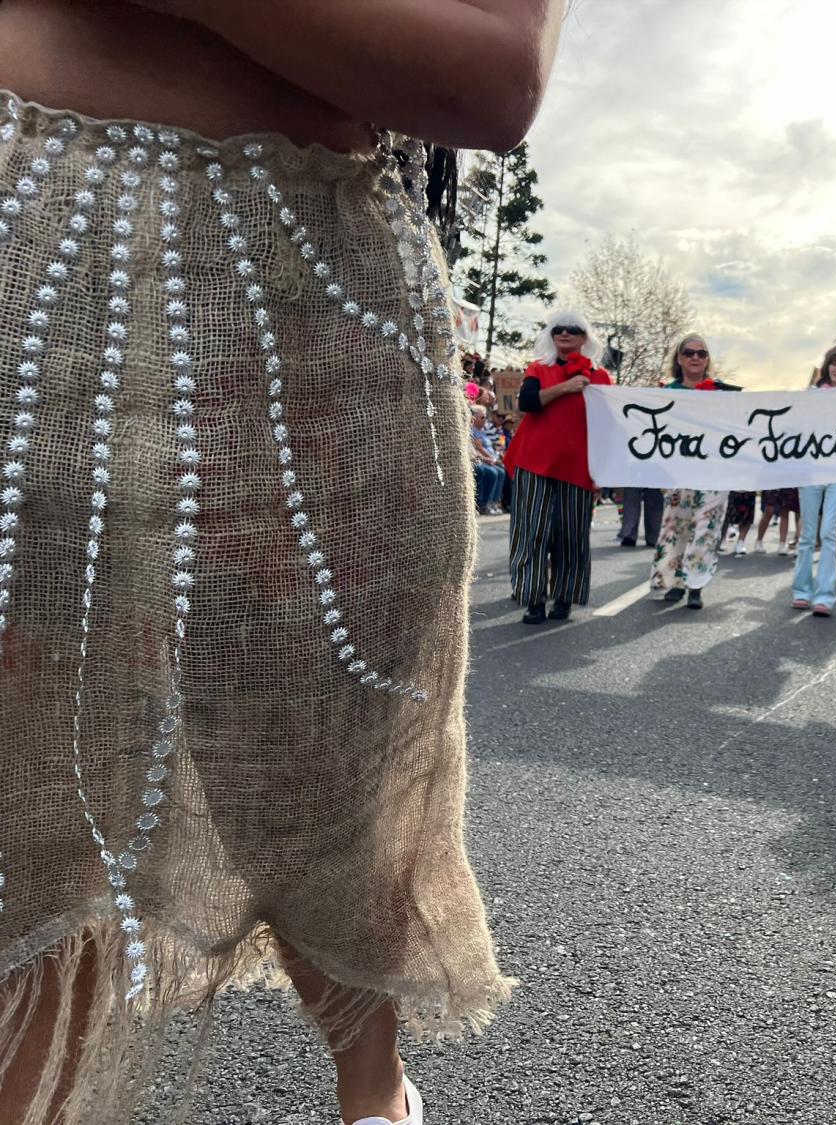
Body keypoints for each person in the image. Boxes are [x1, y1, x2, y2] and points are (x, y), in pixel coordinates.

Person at [0, 3, 564, 1123]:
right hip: (29, 236)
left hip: (304, 278)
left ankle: (376, 1093)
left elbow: (497, 77)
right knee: (42, 771)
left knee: (328, 759)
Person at [506, 310, 613, 625]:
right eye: (558, 330)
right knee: (532, 532)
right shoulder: (539, 368)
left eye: (573, 330)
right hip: (535, 461)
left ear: (584, 337)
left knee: (571, 534)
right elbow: (527, 402)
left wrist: (603, 470)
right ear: (551, 336)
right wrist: (565, 388)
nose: (565, 334)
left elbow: (608, 427)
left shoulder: (600, 378)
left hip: (578, 466)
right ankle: (533, 599)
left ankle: (564, 597)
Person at [650, 334, 729, 609]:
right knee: (677, 527)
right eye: (689, 353)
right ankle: (674, 582)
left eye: (701, 353)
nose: (695, 357)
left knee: (706, 528)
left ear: (707, 359)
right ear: (680, 359)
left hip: (714, 473)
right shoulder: (666, 394)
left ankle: (696, 584)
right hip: (678, 473)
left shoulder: (722, 394)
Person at [792, 340, 836, 615]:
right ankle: (801, 591)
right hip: (811, 470)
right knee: (808, 534)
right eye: (834, 363)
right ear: (826, 366)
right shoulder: (812, 394)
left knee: (828, 532)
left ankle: (824, 596)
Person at [470, 404, 505, 516]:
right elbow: (479, 449)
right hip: (480, 459)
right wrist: (492, 459)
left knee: (501, 471)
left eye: (485, 417)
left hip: (487, 458)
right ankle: (485, 504)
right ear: (474, 418)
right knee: (493, 472)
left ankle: (494, 502)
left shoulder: (482, 431)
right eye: (482, 417)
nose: (485, 419)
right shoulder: (473, 431)